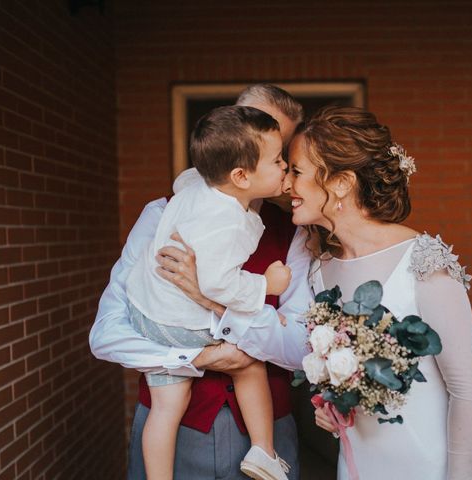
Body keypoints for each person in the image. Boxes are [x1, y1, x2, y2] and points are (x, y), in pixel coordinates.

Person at [89, 84, 311, 480]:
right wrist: (194, 359)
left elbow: (298, 350)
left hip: (268, 429)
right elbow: (106, 333)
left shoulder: (293, 232)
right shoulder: (163, 215)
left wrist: (209, 298)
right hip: (179, 430)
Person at [282, 106, 472, 479]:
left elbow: (466, 391)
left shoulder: (423, 263)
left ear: (341, 182)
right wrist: (332, 406)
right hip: (359, 467)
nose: (287, 186)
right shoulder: (319, 273)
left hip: (431, 468)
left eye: (296, 172)